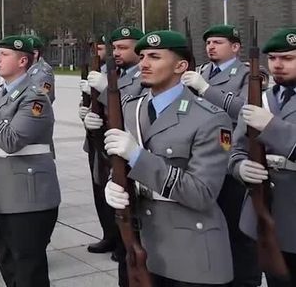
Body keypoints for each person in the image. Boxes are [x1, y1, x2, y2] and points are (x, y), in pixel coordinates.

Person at [104, 30, 233, 286]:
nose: (144, 64)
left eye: (155, 57)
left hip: (189, 250)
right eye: (141, 56)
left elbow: (202, 193)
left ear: (181, 66)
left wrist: (138, 157)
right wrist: (114, 182)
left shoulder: (211, 118)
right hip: (140, 244)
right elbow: (121, 163)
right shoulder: (132, 108)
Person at [0, 35, 60, 287]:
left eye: (4, 54)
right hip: (2, 193)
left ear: (23, 61)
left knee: (28, 271)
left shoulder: (35, 97)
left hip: (29, 198)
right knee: (8, 263)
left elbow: (11, 140)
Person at [181, 24, 260, 287]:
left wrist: (206, 89)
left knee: (238, 231)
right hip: (202, 158)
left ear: (235, 47)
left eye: (217, 42)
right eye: (208, 43)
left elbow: (248, 110)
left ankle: (245, 280)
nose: (210, 47)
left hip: (230, 160)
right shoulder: (200, 71)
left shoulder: (249, 74)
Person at [229, 26, 296, 286]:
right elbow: (236, 148)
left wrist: (272, 126)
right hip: (266, 212)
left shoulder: (264, 109)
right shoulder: (262, 99)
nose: (278, 65)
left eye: (288, 58)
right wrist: (240, 167)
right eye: (273, 59)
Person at [79, 26, 144, 260]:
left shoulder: (142, 75)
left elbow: (129, 106)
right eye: (114, 47)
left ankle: (124, 241)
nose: (116, 52)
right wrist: (86, 113)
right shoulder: (108, 71)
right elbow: (94, 105)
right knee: (100, 189)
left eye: (123, 48)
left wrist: (105, 89)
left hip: (124, 143)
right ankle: (109, 234)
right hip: (99, 140)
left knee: (123, 192)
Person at [27, 35, 55, 103]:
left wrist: (32, 113)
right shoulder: (26, 69)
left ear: (35, 54)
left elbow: (44, 99)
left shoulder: (45, 72)